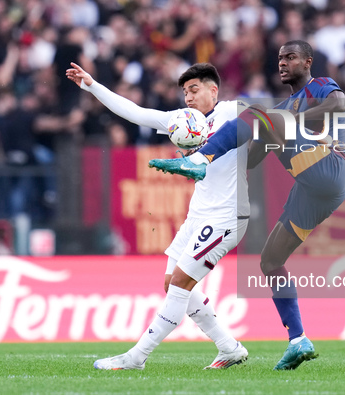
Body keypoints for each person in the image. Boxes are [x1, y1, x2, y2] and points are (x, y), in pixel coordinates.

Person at [150, 40, 345, 370]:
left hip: (331, 167)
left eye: (291, 58)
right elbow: (253, 158)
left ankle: (202, 158)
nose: (283, 63)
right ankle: (298, 339)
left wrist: (292, 118)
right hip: (313, 190)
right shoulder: (285, 107)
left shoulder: (318, 87)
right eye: (280, 58)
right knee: (271, 261)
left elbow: (339, 103)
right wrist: (232, 153)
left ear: (307, 62)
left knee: (262, 113)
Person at [66, 62, 250, 370]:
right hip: (198, 214)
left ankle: (136, 357)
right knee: (171, 284)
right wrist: (92, 85)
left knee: (179, 284)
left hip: (226, 215)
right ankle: (228, 347)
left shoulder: (234, 112)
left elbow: (277, 120)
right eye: (184, 92)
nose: (188, 97)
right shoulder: (183, 121)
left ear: (213, 90)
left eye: (194, 90)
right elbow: (135, 112)